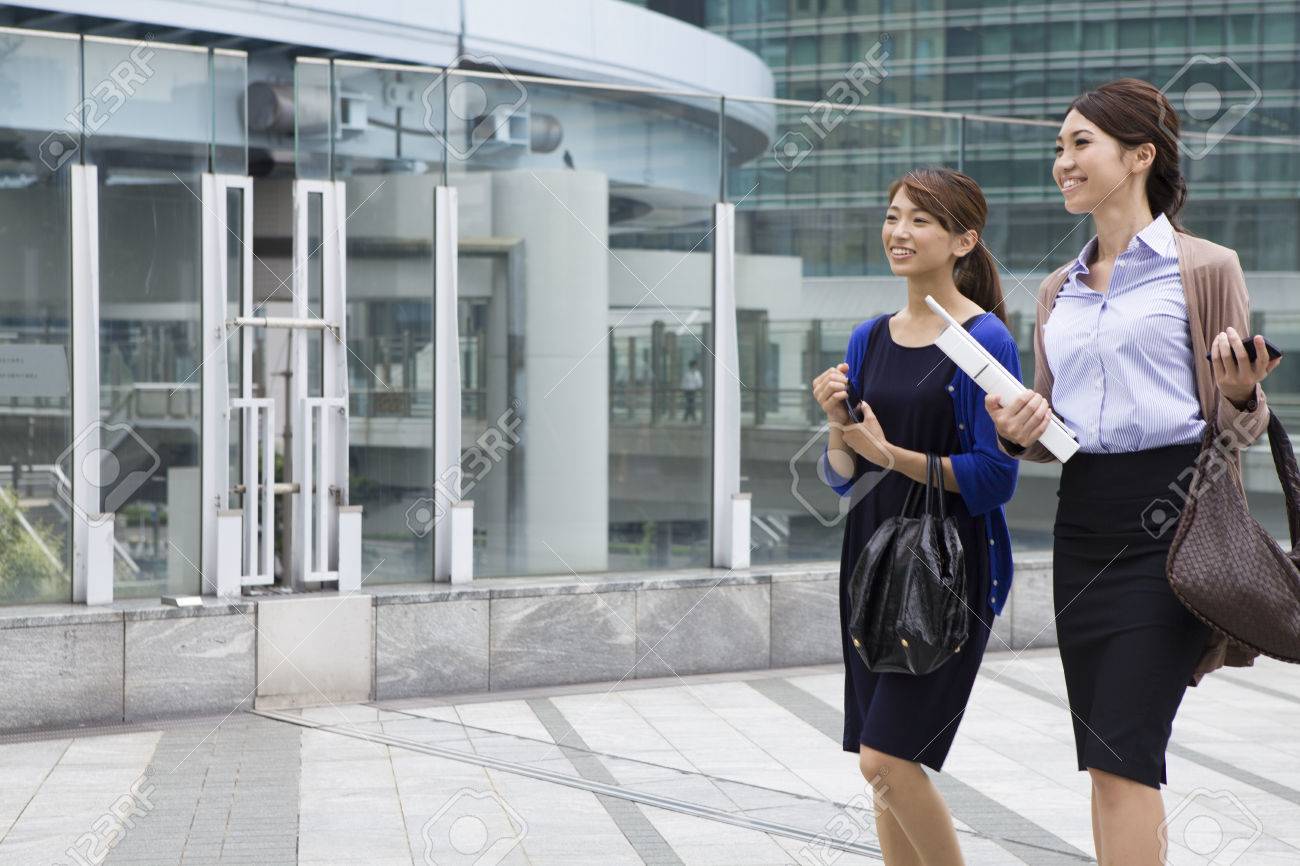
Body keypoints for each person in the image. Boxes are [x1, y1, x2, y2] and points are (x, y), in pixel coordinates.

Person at [985, 78, 1278, 865]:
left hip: (1172, 520)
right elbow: (1052, 426)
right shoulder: (1058, 290)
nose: (1063, 162)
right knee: (1103, 757)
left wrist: (1240, 392)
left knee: (1126, 749)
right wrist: (1020, 432)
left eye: (1080, 143)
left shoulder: (1207, 267)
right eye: (1059, 146)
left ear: (1140, 155)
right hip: (1084, 524)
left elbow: (1238, 427)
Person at [812, 167, 1019, 866]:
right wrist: (838, 426)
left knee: (885, 758)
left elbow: (996, 479)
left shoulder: (985, 339)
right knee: (882, 772)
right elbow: (843, 478)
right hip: (871, 562)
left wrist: (891, 453)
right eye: (893, 215)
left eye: (919, 221)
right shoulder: (868, 338)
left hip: (948, 567)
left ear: (964, 240)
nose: (898, 232)